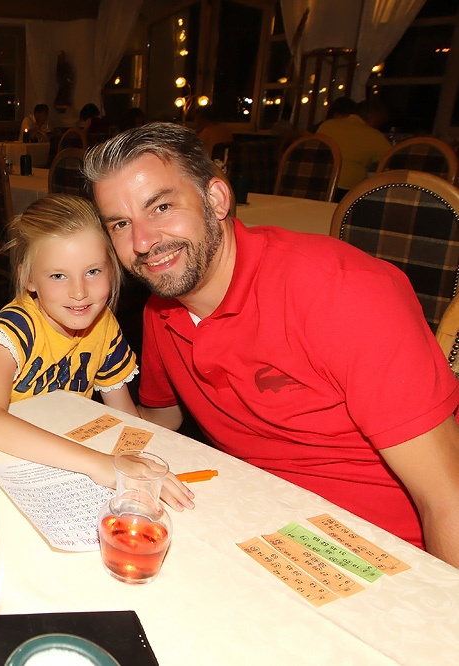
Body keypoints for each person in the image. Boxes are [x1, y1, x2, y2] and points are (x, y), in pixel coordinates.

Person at [84, 122, 459, 565]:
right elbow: (159, 422)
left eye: (162, 207)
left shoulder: (343, 293)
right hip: (256, 526)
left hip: (382, 553)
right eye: (121, 224)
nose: (143, 241)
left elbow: (446, 497)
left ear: (216, 199)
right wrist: (88, 375)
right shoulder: (161, 312)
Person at [0, 194, 194, 508]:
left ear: (112, 269)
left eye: (92, 272)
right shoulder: (16, 329)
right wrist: (99, 464)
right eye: (58, 276)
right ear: (28, 278)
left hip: (66, 467)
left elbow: (127, 421)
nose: (79, 292)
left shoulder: (103, 324)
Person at [316, 96, 391, 200]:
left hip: (318, 186)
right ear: (374, 118)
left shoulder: (327, 125)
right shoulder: (375, 136)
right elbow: (392, 161)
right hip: (346, 194)